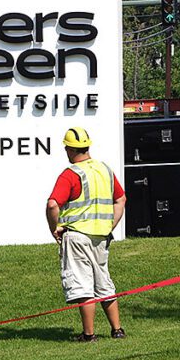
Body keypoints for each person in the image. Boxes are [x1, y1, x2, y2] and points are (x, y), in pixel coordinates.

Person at [46, 126, 127, 342]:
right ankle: (117, 330)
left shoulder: (71, 174)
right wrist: (110, 225)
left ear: (70, 150)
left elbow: (53, 204)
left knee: (83, 285)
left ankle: (89, 334)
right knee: (104, 283)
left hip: (77, 236)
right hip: (101, 237)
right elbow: (121, 200)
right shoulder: (105, 169)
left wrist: (54, 228)